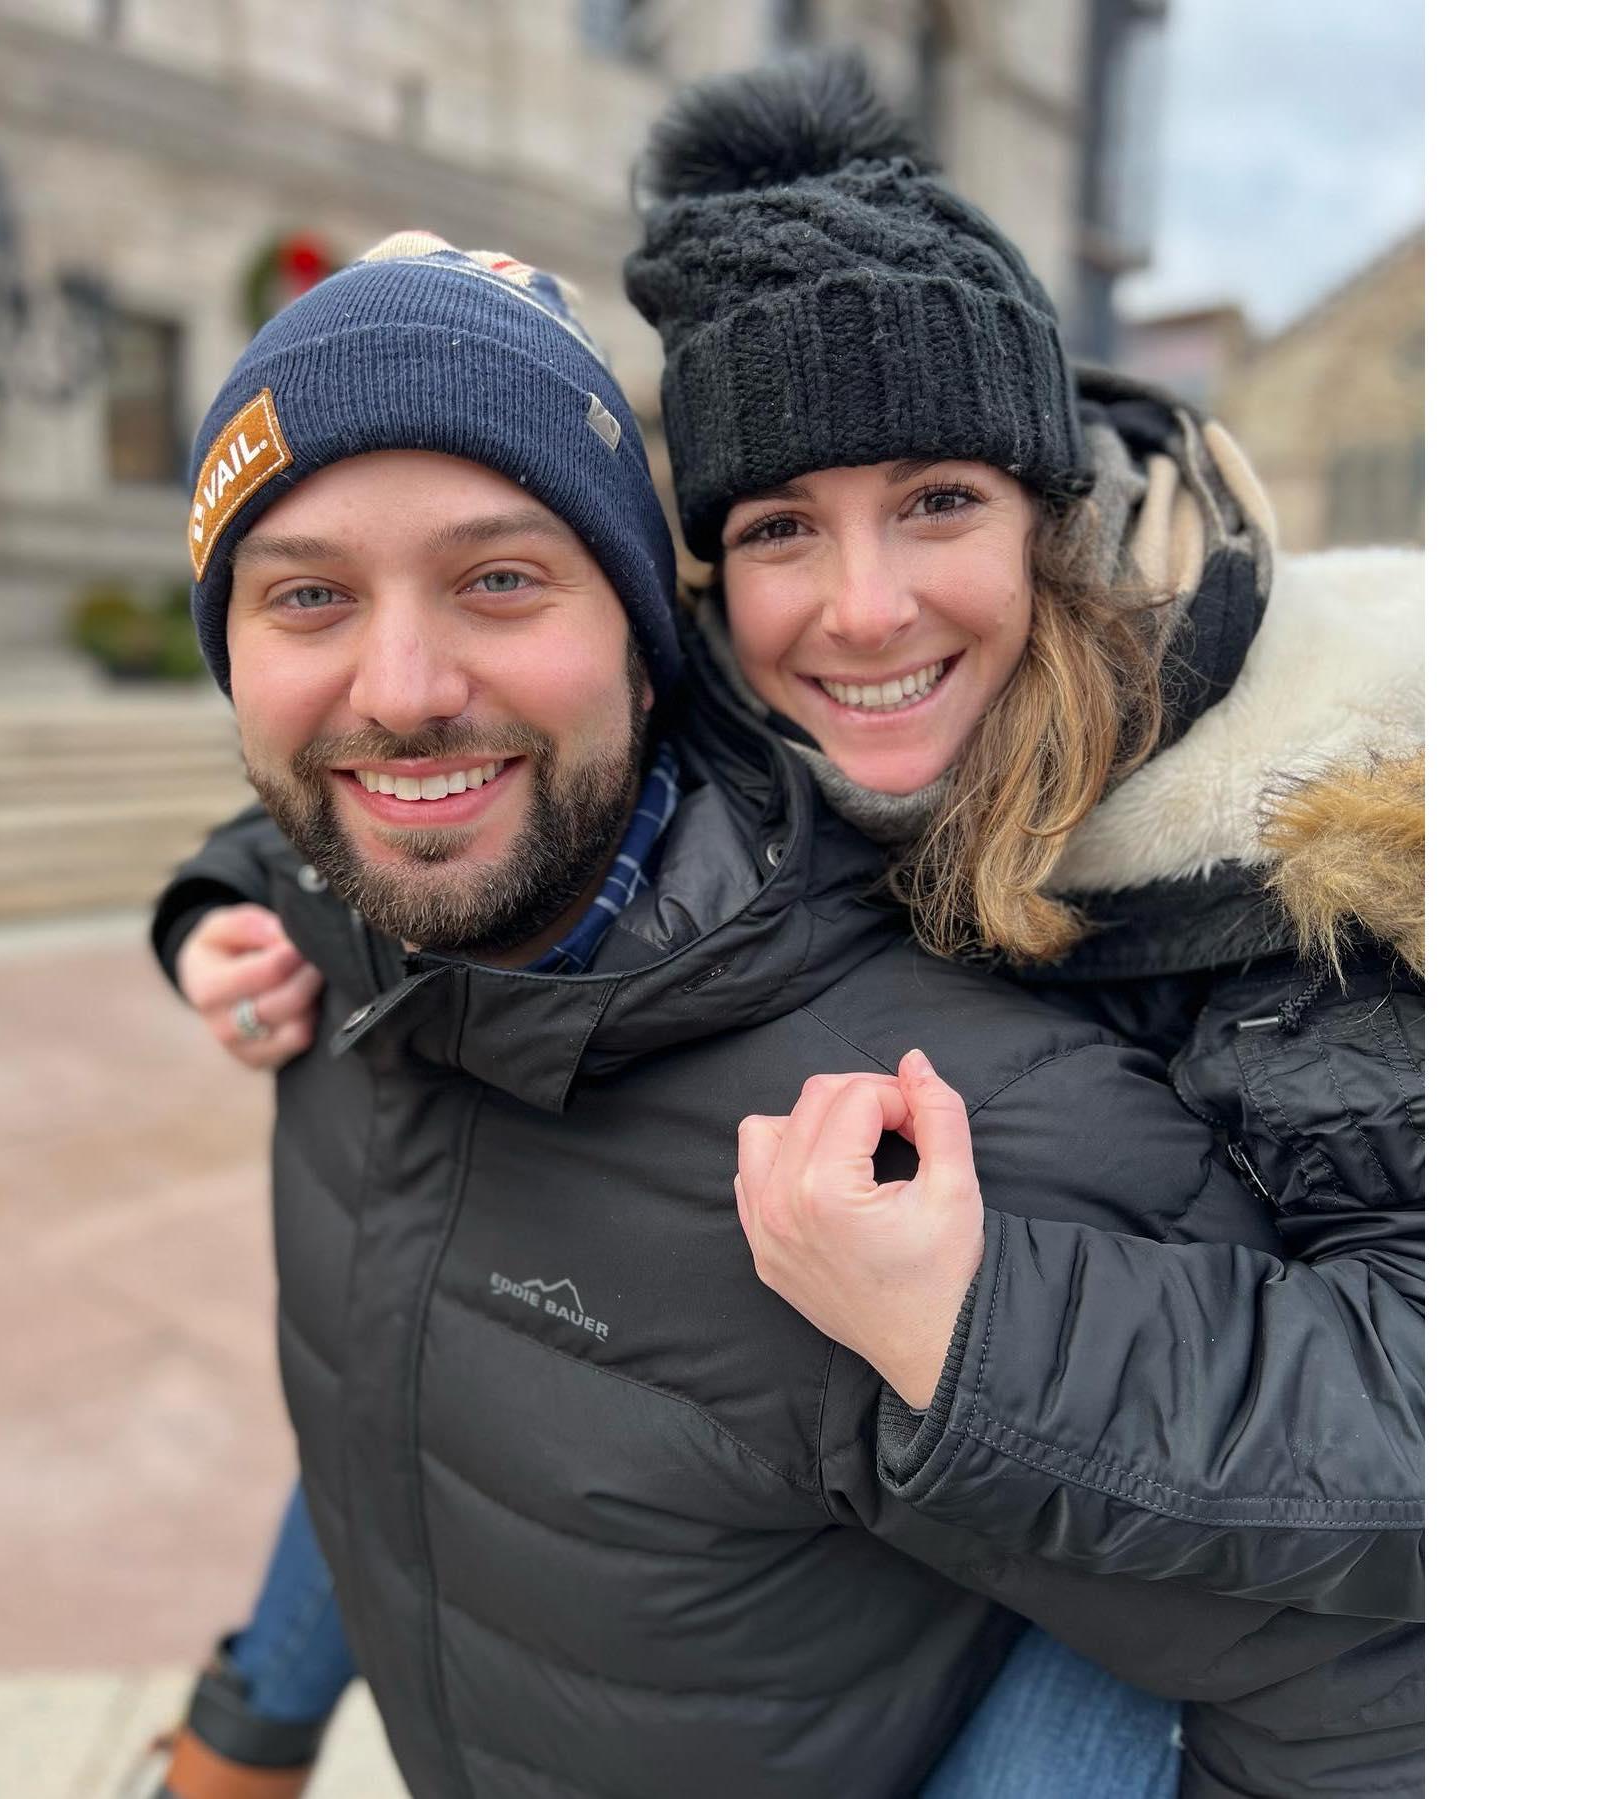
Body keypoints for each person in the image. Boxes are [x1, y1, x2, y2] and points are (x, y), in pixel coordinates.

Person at [140, 160, 1418, 1795]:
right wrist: (216, 900)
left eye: (939, 500)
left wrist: (976, 1329)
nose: (864, 608)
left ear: (1054, 529)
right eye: (780, 529)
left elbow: (1391, 1597)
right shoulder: (422, 888)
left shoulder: (1260, 869)